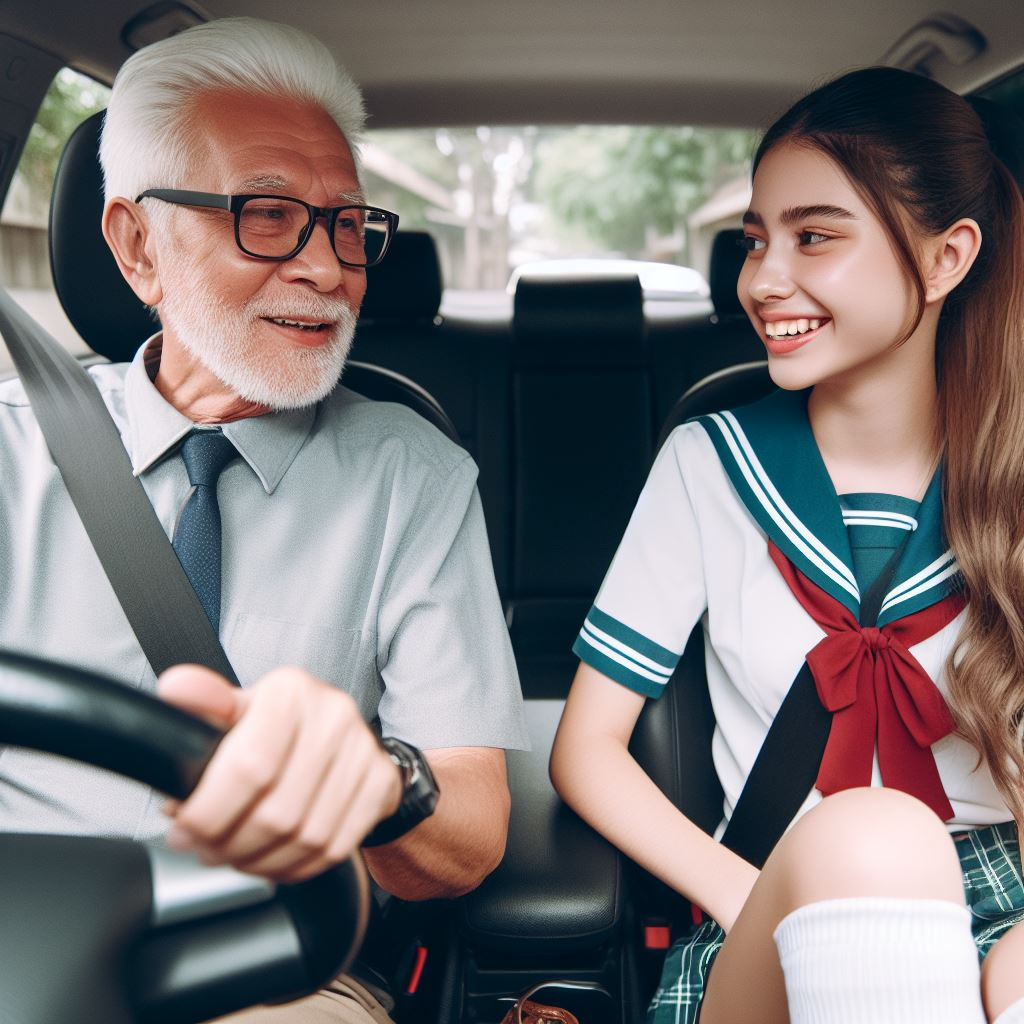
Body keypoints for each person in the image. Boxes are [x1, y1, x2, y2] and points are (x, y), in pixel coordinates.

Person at [0, 17, 526, 1023]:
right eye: (270, 217)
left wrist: (380, 778)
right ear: (137, 243)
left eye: (346, 226)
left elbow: (470, 836)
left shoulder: (411, 474)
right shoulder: (9, 449)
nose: (329, 269)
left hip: (271, 965)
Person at [550, 66, 1024, 1024]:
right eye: (756, 241)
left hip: (1002, 895)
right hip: (775, 893)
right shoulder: (708, 463)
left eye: (814, 237)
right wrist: (743, 899)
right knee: (878, 838)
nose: (764, 280)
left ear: (946, 258)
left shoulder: (1011, 470)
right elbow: (584, 751)